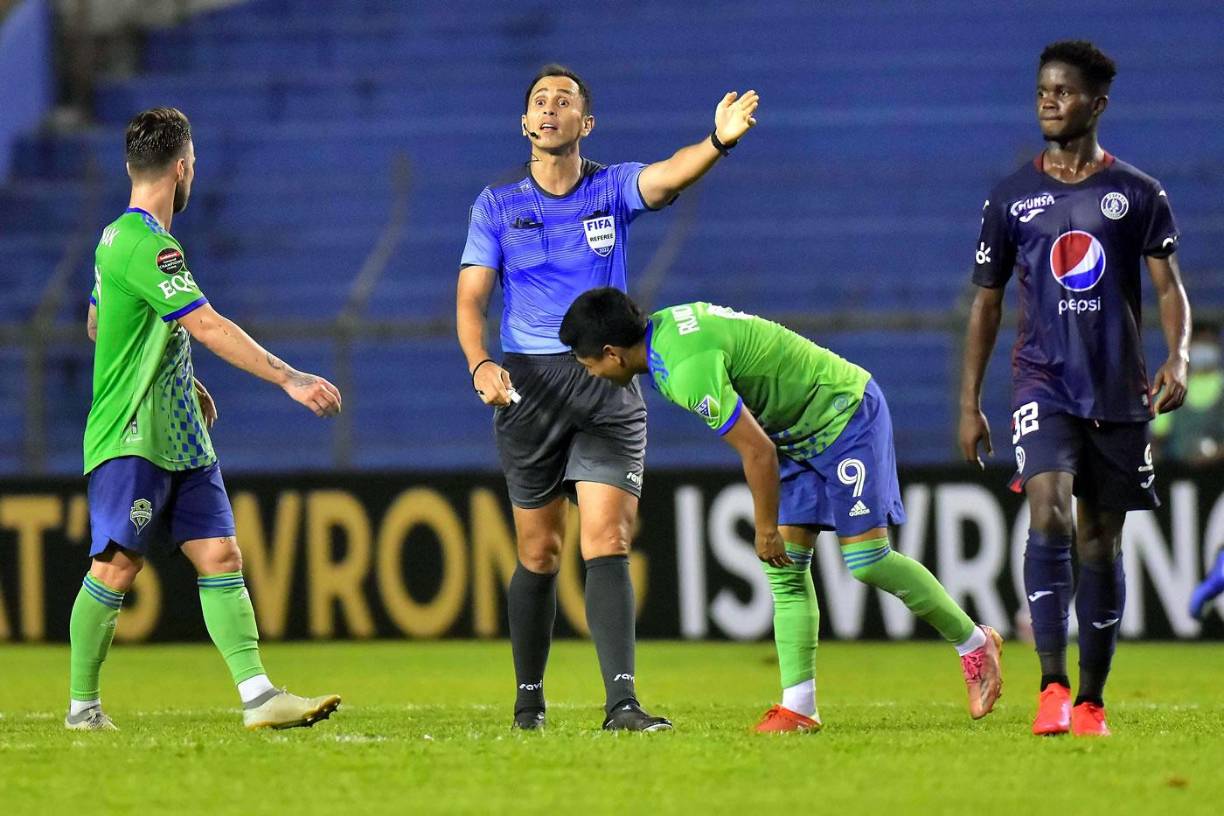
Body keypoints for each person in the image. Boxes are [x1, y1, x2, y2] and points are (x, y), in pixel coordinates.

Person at [456, 65, 759, 732]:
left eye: (565, 101)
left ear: (584, 123)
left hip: (605, 376)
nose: (550, 108)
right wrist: (479, 363)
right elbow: (472, 297)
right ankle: (528, 702)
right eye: (539, 100)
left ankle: (621, 702)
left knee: (608, 538)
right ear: (525, 122)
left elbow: (670, 173)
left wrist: (718, 141)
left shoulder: (612, 187)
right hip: (526, 388)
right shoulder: (496, 206)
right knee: (538, 552)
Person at [559, 289, 1004, 733]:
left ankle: (974, 642)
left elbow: (757, 452)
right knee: (786, 572)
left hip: (842, 414)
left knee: (868, 562)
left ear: (612, 354)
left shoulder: (685, 370)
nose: (591, 373)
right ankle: (800, 708)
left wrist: (766, 527)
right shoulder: (666, 331)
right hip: (793, 434)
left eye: (588, 364)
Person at [72, 107, 343, 731]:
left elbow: (97, 323)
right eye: (193, 164)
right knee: (115, 567)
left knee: (221, 554)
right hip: (132, 433)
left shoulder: (113, 239)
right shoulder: (149, 245)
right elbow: (209, 325)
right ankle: (82, 708)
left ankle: (258, 696)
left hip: (181, 435)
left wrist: (176, 373)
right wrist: (290, 378)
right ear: (183, 167)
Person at [958, 41, 1190, 737]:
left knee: (1100, 542)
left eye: (1062, 91)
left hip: (1118, 392)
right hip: (1043, 383)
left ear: (1097, 103)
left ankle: (1091, 699)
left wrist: (1178, 358)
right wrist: (970, 401)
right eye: (1041, 92)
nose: (1049, 102)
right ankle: (1051, 686)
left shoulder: (1139, 194)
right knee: (1049, 511)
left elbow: (1169, 288)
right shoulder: (1010, 198)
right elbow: (986, 305)